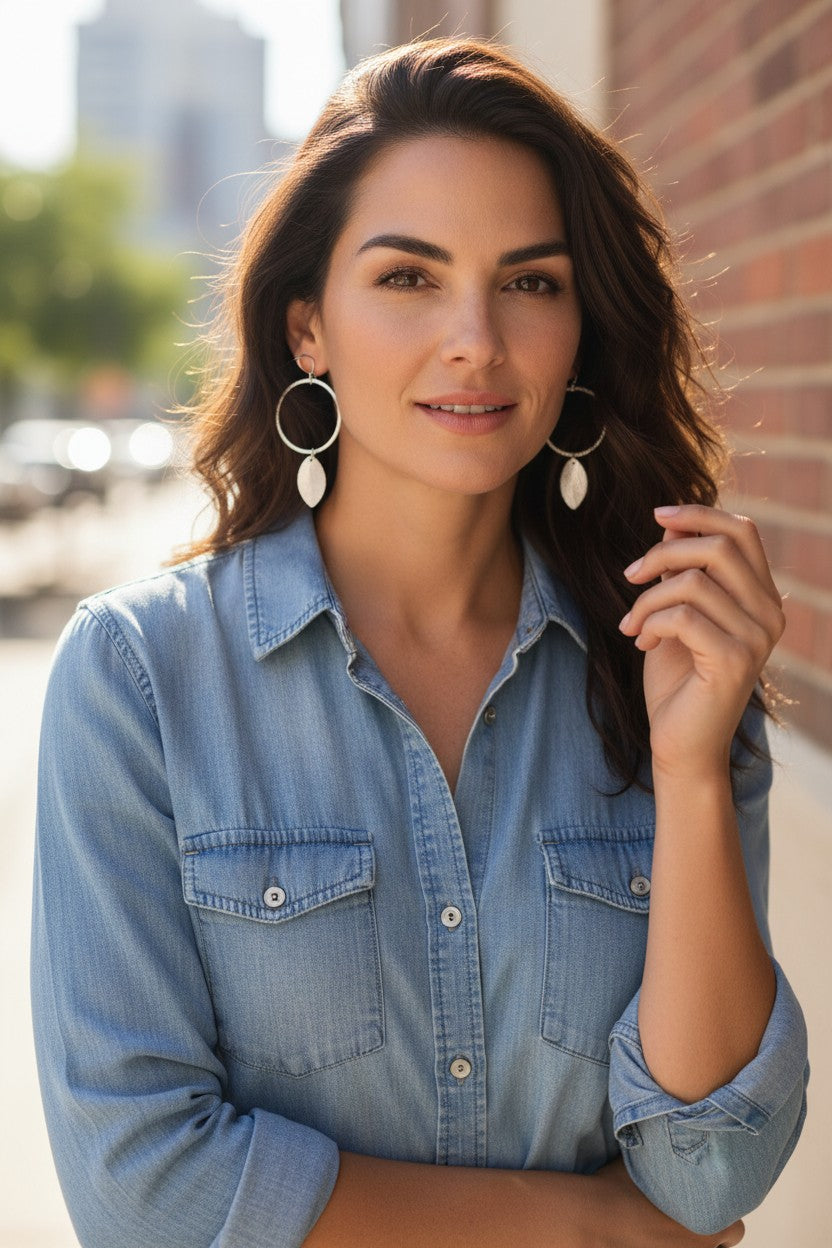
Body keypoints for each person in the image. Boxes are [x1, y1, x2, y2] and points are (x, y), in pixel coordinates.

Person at [32, 37, 808, 1248]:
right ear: (307, 329)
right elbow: (142, 1191)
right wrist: (588, 1232)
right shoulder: (139, 678)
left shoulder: (662, 666)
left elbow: (708, 1180)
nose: (475, 340)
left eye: (531, 283)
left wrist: (695, 768)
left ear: (579, 332)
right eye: (407, 278)